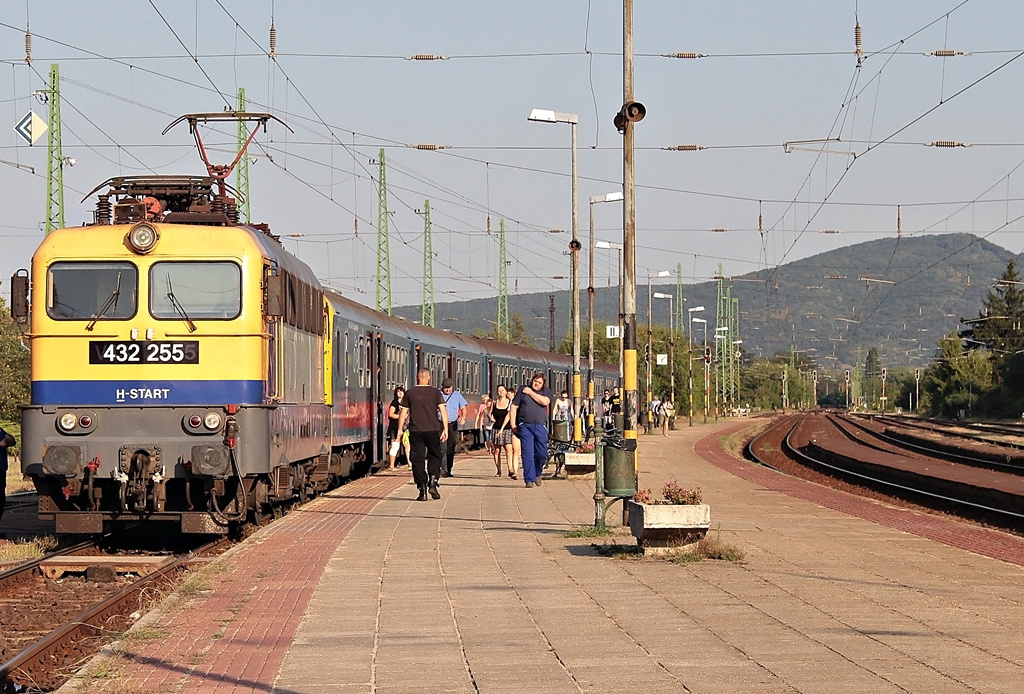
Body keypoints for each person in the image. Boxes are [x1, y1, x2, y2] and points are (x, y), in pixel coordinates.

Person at [396, 369, 448, 501]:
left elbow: (403, 414)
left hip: (416, 430)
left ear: (417, 377)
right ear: (429, 378)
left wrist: (399, 430)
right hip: (432, 429)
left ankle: (422, 488)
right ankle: (433, 480)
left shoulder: (410, 393)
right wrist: (445, 429)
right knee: (435, 455)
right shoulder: (435, 392)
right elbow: (443, 411)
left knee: (417, 459)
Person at [509, 373, 552, 488]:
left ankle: (537, 473)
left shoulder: (546, 391)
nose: (536, 384)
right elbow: (513, 407)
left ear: (543, 385)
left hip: (540, 427)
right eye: (535, 381)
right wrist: (513, 424)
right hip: (525, 426)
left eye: (539, 383)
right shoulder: (523, 390)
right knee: (527, 453)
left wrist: (531, 393)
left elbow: (545, 402)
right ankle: (529, 479)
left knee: (542, 454)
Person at [440, 378, 468, 477]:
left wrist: (463, 417)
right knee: (442, 447)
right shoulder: (438, 395)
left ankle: (449, 468)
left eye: (449, 388)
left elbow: (463, 407)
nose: (447, 390)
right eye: (446, 388)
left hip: (453, 424)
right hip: (440, 424)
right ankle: (443, 469)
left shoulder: (457, 395)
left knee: (450, 448)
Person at [490, 384, 516, 479]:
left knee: (508, 450)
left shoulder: (510, 403)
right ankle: (498, 470)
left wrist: (503, 429)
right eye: (499, 390)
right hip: (496, 428)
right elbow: (490, 413)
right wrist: (491, 418)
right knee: (496, 451)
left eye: (502, 390)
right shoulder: (494, 402)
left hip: (507, 429)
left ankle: (510, 470)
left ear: (506, 391)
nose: (500, 392)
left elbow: (508, 416)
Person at [386, 386, 407, 470]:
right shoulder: (394, 403)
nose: (400, 393)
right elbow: (390, 414)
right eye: (398, 392)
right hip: (395, 427)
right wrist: (401, 416)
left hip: (405, 427)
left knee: (407, 445)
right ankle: (391, 465)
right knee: (395, 446)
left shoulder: (405, 403)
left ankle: (410, 464)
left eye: (401, 391)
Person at [0, 425, 15, 531]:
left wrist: (7, 440)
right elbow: (4, 442)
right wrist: (6, 440)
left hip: (1, 468)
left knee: (1, 500)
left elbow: (12, 440)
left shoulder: (0, 430)